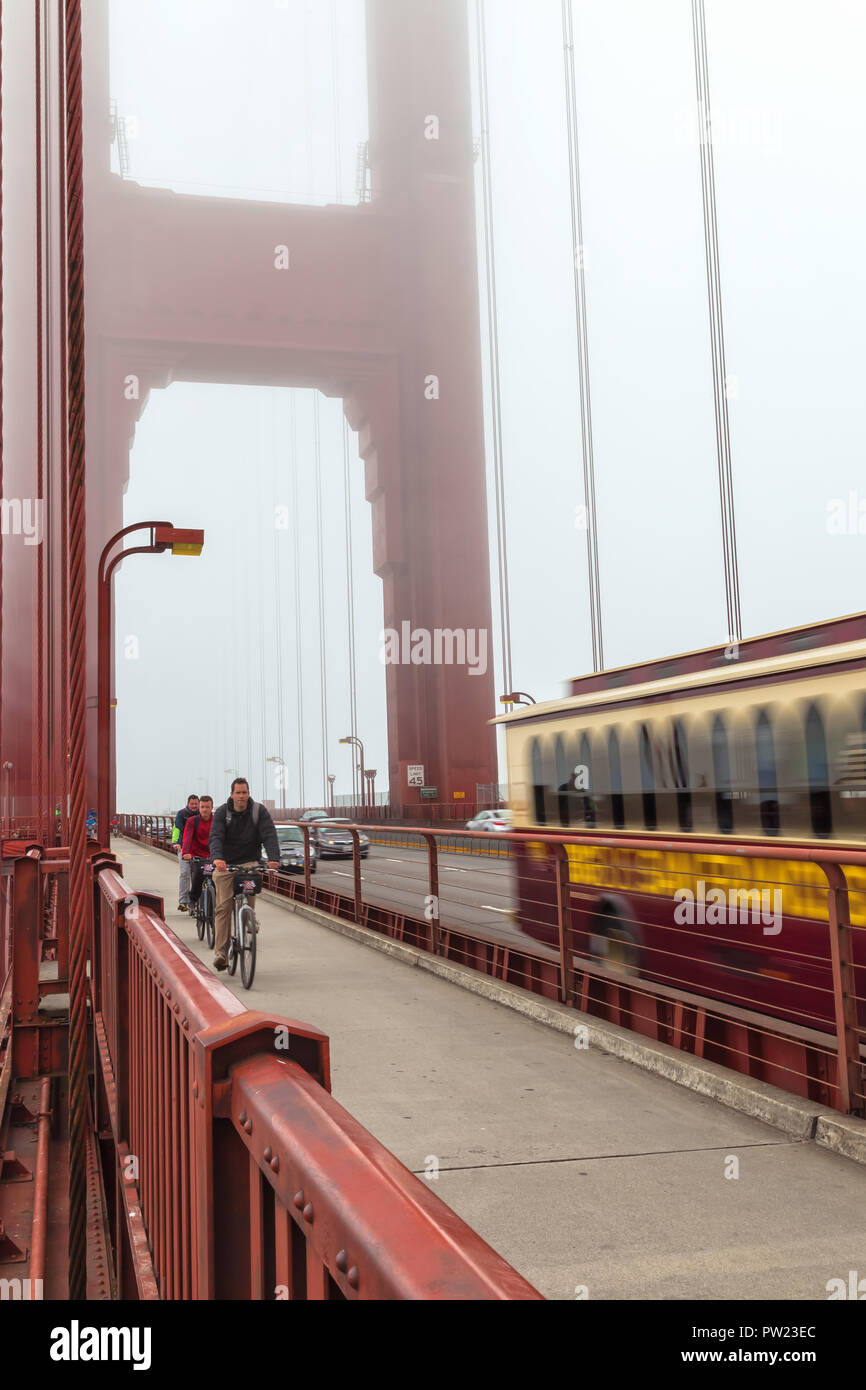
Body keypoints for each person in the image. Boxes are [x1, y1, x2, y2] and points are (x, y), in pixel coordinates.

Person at [208, 778, 279, 971]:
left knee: (249, 893)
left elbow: (269, 834)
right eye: (238, 793)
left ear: (248, 793)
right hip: (226, 864)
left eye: (244, 792)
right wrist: (217, 858)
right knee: (223, 907)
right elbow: (216, 836)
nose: (241, 796)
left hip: (250, 862)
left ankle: (249, 915)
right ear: (231, 794)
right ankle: (221, 953)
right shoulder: (223, 812)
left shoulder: (258, 811)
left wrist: (274, 858)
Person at [181, 795, 215, 909]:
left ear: (212, 808)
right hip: (196, 855)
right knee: (197, 877)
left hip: (213, 854)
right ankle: (193, 899)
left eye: (207, 807)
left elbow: (222, 838)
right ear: (199, 808)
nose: (205, 809)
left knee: (216, 879)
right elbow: (187, 837)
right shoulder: (192, 821)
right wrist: (185, 852)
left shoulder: (216, 822)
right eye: (202, 807)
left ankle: (214, 902)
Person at [172, 794, 200, 911]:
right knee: (185, 873)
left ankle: (199, 900)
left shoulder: (202, 813)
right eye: (192, 804)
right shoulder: (182, 814)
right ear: (188, 804)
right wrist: (175, 843)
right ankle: (183, 901)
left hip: (198, 849)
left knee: (199, 875)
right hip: (183, 847)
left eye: (196, 804)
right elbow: (177, 829)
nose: (194, 806)